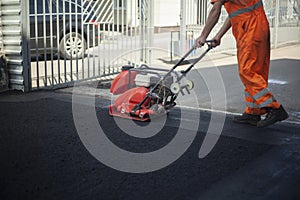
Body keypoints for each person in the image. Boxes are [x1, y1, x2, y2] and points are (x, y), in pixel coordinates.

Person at [195, 0, 288, 127]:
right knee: (255, 71)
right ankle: (253, 112)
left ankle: (274, 108)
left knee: (247, 71)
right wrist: (218, 35)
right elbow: (234, 13)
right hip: (255, 26)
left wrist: (203, 36)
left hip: (251, 29)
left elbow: (215, 11)